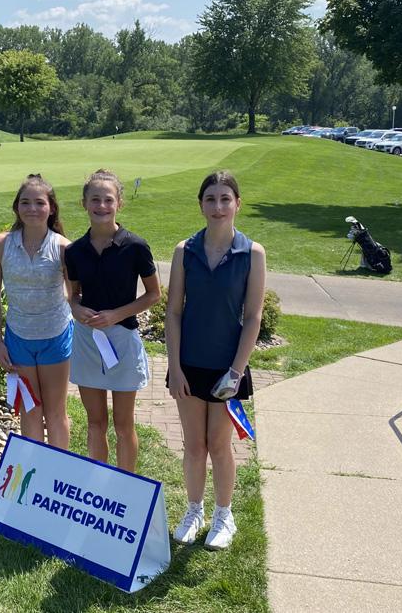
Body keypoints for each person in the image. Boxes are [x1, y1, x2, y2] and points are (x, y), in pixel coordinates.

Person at [165, 170, 266, 550]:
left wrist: (236, 372)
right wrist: (175, 368)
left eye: (226, 199)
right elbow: (174, 312)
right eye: (211, 199)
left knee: (219, 445)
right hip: (189, 365)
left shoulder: (252, 253)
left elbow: (253, 317)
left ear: (237, 203)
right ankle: (194, 511)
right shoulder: (184, 251)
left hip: (228, 369)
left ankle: (225, 515)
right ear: (201, 205)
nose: (218, 206)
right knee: (194, 445)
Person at [65, 169, 160, 473]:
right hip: (88, 340)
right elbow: (74, 295)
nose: (102, 206)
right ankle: (99, 485)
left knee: (123, 424)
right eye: (95, 199)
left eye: (108, 199)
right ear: (84, 203)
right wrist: (75, 308)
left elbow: (154, 294)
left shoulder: (136, 246)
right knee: (95, 423)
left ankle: (124, 485)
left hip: (122, 339)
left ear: (119, 203)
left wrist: (117, 314)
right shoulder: (74, 251)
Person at [0, 174, 72, 449]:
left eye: (39, 203)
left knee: (55, 413)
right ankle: (36, 472)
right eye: (25, 202)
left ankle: (57, 471)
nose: (32, 208)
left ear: (51, 208)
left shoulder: (63, 247)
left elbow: (75, 297)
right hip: (18, 339)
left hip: (55, 337)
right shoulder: (0, 245)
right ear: (16, 207)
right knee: (30, 410)